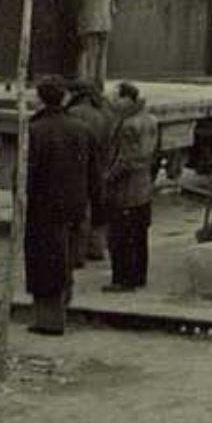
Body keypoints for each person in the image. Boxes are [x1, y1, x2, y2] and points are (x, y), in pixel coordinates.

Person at [25, 76, 100, 335]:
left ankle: (49, 320)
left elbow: (27, 175)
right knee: (66, 258)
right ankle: (64, 306)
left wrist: (21, 200)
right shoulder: (82, 129)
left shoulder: (34, 130)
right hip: (74, 205)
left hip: (43, 207)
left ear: (41, 98)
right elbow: (94, 173)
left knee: (44, 262)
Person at [102, 82, 158, 292]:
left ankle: (122, 279)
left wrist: (107, 177)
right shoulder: (150, 119)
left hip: (126, 189)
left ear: (128, 99)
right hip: (143, 187)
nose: (113, 103)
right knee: (139, 235)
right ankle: (138, 276)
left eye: (117, 98)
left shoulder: (128, 125)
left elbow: (125, 159)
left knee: (120, 236)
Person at [44, 0, 114, 91]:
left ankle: (88, 88)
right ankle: (99, 86)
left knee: (90, 56)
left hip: (91, 24)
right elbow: (113, 6)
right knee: (101, 57)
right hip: (105, 24)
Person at [64, 79, 111, 266]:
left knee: (80, 210)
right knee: (99, 206)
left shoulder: (73, 114)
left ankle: (77, 254)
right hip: (101, 165)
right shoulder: (105, 113)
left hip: (78, 166)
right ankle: (97, 248)